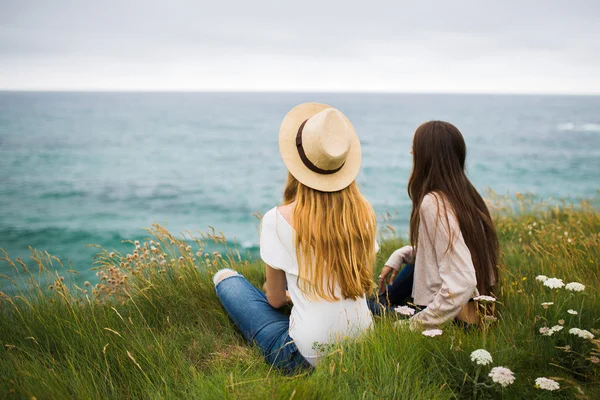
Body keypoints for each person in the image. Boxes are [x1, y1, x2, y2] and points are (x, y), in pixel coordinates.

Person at [213, 103, 377, 373]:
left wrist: (292, 295)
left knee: (225, 279)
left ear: (297, 165)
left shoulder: (276, 219)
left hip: (303, 358)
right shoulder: (363, 214)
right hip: (363, 348)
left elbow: (276, 300)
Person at [378, 121, 499, 329]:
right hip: (471, 314)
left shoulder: (433, 203)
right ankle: (377, 302)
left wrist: (414, 326)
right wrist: (404, 254)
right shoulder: (466, 196)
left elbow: (463, 280)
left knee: (362, 311)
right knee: (374, 303)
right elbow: (453, 252)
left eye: (415, 147)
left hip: (451, 321)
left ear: (427, 155)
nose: (411, 152)